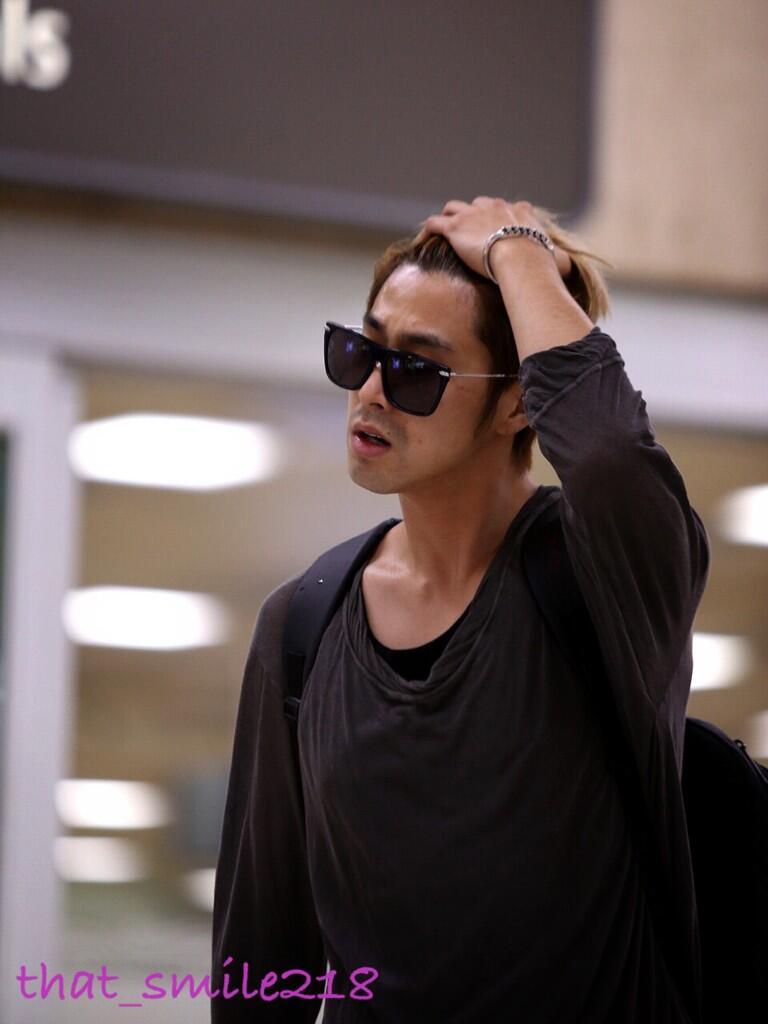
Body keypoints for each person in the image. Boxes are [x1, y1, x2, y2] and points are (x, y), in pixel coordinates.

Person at [210, 197, 710, 1023]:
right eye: (360, 350)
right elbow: (260, 951)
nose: (371, 391)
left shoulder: (606, 579)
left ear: (518, 402)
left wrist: (519, 253)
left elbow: (612, 451)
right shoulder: (303, 623)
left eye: (417, 369)